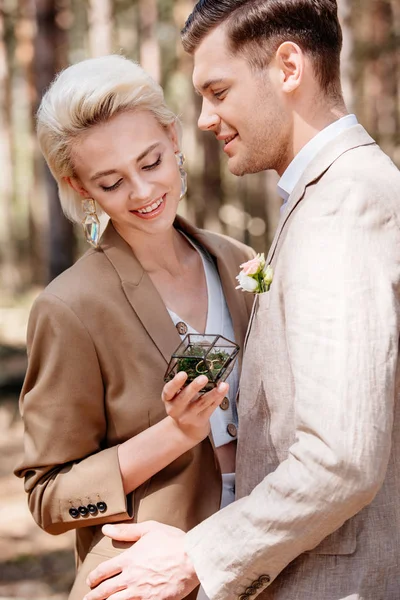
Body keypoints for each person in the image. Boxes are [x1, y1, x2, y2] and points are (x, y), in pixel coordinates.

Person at [82, 1, 400, 600]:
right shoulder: (326, 195)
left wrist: (198, 555)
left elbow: (341, 459)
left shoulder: (342, 208)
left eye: (218, 90)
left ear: (287, 67)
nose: (204, 118)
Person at [14, 54, 256, 600]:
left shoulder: (240, 263)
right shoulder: (68, 307)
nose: (144, 193)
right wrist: (176, 433)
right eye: (112, 181)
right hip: (146, 583)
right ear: (79, 187)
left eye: (150, 162)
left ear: (173, 136)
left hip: (261, 559)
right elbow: (49, 497)